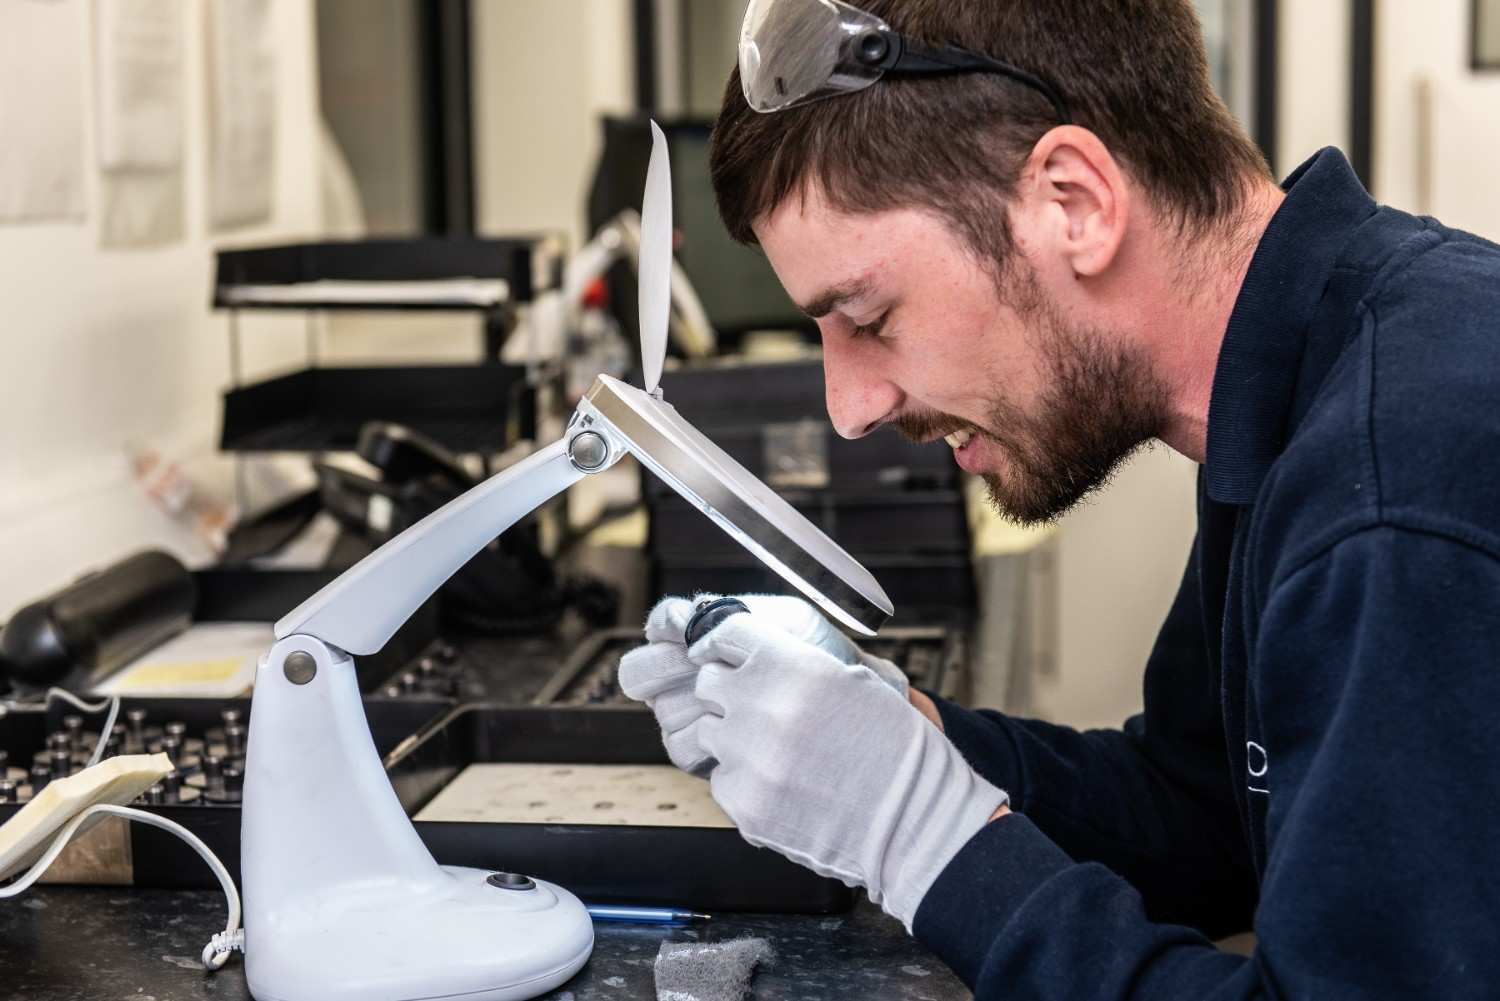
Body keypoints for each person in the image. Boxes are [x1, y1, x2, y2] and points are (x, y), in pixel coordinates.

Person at [619, 0, 1500, 997]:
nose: (849, 408)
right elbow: (1203, 817)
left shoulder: (1394, 495)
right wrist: (902, 737)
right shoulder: (1309, 384)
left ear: (1072, 202)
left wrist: (928, 838)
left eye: (868, 315)